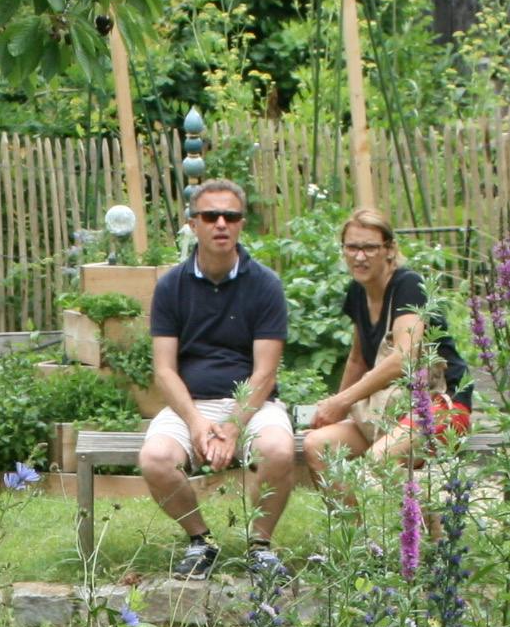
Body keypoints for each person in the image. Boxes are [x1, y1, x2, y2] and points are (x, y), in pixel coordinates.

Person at [138, 179, 299, 578]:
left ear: (242, 224)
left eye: (231, 216)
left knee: (279, 449)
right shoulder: (171, 286)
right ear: (193, 224)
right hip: (190, 403)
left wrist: (231, 427)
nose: (221, 224)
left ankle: (261, 546)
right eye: (211, 216)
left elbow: (265, 373)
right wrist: (195, 422)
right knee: (155, 458)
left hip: (251, 403)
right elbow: (163, 369)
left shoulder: (265, 285)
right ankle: (200, 542)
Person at [285, 213, 475, 531]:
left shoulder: (408, 286)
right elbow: (358, 359)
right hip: (387, 410)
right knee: (317, 445)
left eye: (370, 247)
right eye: (352, 247)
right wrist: (334, 408)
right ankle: (360, 543)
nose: (360, 256)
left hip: (440, 407)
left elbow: (403, 358)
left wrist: (343, 400)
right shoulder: (358, 292)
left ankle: (431, 529)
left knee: (378, 462)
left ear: (389, 249)